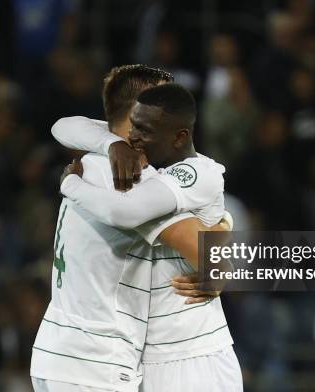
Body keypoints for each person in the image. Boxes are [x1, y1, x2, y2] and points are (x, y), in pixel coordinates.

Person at [31, 65, 231, 392]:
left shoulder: (93, 158)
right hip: (97, 365)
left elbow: (64, 125)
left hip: (59, 351)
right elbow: (213, 259)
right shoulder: (132, 179)